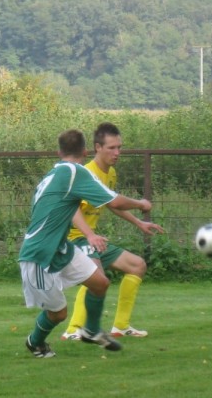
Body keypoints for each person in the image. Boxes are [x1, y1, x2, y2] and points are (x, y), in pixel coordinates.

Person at [19, 128, 153, 358]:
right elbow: (115, 201)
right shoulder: (76, 172)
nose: (117, 152)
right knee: (58, 314)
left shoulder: (55, 174)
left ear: (58, 151)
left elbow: (68, 208)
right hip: (39, 254)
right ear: (85, 151)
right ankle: (35, 342)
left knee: (100, 283)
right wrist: (141, 203)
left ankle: (90, 330)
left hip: (61, 247)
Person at [61, 122, 164, 341]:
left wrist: (139, 223)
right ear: (97, 147)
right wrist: (139, 204)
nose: (117, 153)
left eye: (119, 147)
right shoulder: (86, 173)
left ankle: (121, 326)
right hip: (73, 238)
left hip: (90, 239)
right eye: (111, 148)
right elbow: (70, 211)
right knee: (96, 277)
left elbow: (111, 203)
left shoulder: (110, 173)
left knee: (137, 265)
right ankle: (73, 330)